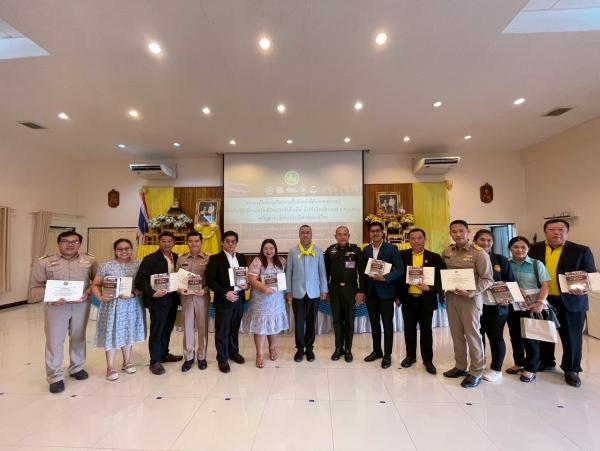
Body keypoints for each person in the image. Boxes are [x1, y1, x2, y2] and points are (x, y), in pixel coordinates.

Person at [529, 219, 597, 387]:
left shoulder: (581, 250)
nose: (556, 233)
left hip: (571, 300)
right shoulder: (533, 248)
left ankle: (572, 369)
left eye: (560, 229)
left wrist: (583, 288)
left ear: (567, 232)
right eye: (551, 229)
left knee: (572, 337)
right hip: (542, 299)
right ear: (545, 232)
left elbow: (590, 275)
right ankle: (546, 361)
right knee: (544, 332)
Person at [30, 231, 97, 393]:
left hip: (81, 305)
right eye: (65, 241)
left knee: (78, 337)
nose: (70, 244)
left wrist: (87, 293)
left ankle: (77, 367)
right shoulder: (45, 262)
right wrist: (51, 297)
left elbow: (96, 282)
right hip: (55, 307)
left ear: (79, 243)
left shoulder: (90, 261)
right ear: (58, 243)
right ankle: (55, 377)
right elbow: (35, 287)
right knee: (54, 341)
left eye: (74, 241)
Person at [442, 220, 493, 388]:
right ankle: (460, 366)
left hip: (470, 300)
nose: (458, 234)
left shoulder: (479, 253)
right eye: (454, 231)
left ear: (468, 232)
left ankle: (476, 371)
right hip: (452, 298)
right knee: (456, 334)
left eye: (461, 231)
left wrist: (471, 292)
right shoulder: (447, 251)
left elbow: (488, 279)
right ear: (450, 233)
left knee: (472, 335)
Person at [90, 238, 145, 381]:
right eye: (120, 249)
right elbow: (95, 285)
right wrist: (100, 296)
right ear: (115, 251)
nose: (124, 251)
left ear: (131, 249)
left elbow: (143, 285)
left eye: (127, 248)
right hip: (111, 305)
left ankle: (127, 362)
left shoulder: (139, 264)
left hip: (131, 304)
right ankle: (110, 367)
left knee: (128, 332)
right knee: (112, 333)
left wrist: (134, 293)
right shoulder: (106, 265)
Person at [397, 228, 445, 375]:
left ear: (425, 239)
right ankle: (410, 356)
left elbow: (442, 279)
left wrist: (429, 287)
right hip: (408, 299)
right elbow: (397, 277)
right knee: (409, 329)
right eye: (413, 238)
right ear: (409, 240)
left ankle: (428, 360)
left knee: (426, 331)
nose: (416, 241)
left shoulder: (434, 257)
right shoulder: (402, 255)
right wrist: (397, 295)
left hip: (426, 300)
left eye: (419, 238)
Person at [135, 231, 182, 375]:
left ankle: (164, 354)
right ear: (158, 242)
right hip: (157, 300)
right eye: (163, 241)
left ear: (174, 243)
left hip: (173, 299)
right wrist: (152, 292)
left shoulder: (177, 257)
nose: (166, 244)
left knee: (167, 328)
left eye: (169, 241)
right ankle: (154, 361)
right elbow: (140, 280)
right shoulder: (150, 259)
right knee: (157, 330)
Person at [506, 236, 551, 383]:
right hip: (512, 305)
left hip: (531, 306)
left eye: (523, 247)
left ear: (528, 249)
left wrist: (540, 302)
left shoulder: (537, 264)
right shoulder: (506, 264)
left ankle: (531, 368)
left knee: (531, 337)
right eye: (515, 247)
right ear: (510, 249)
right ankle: (519, 363)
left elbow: (545, 285)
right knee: (515, 336)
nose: (519, 250)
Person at [473, 229, 516, 383]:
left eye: (489, 240)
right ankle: (479, 364)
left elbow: (510, 281)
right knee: (477, 337)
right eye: (482, 240)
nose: (486, 243)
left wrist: (507, 298)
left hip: (496, 306)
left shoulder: (500, 259)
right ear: (475, 241)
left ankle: (496, 369)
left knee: (496, 336)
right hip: (474, 305)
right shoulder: (470, 258)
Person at [363, 221, 404, 369]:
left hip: (386, 293)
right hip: (371, 293)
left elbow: (400, 269)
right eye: (372, 231)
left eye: (377, 231)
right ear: (369, 234)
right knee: (374, 324)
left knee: (387, 324)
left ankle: (387, 355)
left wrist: (385, 278)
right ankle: (377, 351)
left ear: (383, 233)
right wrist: (363, 292)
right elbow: (363, 273)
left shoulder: (391, 248)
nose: (375, 233)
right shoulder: (366, 250)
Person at [206, 230, 249, 373]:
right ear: (222, 243)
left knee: (234, 328)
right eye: (227, 241)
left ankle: (233, 352)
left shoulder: (241, 257)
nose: (230, 244)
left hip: (239, 299)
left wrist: (246, 285)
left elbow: (245, 277)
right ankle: (222, 358)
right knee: (222, 331)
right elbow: (210, 281)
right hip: (224, 300)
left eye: (233, 241)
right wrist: (225, 294)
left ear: (236, 243)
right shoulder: (215, 258)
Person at [242, 239, 289, 368]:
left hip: (276, 300)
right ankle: (260, 354)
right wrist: (264, 289)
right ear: (262, 250)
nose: (269, 251)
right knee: (260, 328)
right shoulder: (257, 261)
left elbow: (286, 278)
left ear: (275, 249)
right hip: (261, 301)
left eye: (271, 248)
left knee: (273, 326)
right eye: (266, 248)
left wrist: (286, 293)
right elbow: (251, 279)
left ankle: (272, 348)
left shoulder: (282, 261)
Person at [285, 225, 328, 362]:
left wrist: (324, 290)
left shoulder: (318, 251)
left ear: (311, 235)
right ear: (299, 235)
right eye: (302, 232)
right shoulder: (292, 251)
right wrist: (288, 290)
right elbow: (289, 272)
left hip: (314, 292)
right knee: (298, 322)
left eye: (308, 232)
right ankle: (299, 348)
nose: (305, 235)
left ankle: (309, 348)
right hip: (297, 292)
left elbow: (322, 272)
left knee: (311, 322)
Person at [324, 226, 366, 363]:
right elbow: (325, 273)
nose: (342, 237)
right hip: (334, 289)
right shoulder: (330, 250)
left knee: (349, 321)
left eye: (345, 234)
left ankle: (348, 349)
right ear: (335, 236)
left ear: (349, 236)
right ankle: (338, 349)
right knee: (336, 321)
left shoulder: (356, 250)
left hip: (350, 289)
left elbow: (362, 273)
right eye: (339, 234)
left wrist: (361, 291)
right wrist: (326, 290)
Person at [175, 231, 210, 372]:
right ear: (187, 242)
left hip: (202, 297)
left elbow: (212, 280)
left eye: (196, 241)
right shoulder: (181, 259)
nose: (193, 243)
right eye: (190, 241)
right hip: (186, 298)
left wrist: (205, 290)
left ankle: (202, 356)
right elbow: (176, 278)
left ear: (201, 242)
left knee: (202, 327)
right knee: (188, 327)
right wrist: (179, 290)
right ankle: (189, 357)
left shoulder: (208, 258)